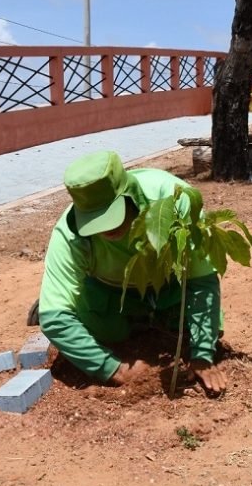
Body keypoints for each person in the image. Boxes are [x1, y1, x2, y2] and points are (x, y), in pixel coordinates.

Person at [36, 150, 228, 393]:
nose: (106, 230)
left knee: (197, 329)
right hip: (108, 293)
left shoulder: (175, 202)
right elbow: (54, 318)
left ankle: (156, 316)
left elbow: (201, 280)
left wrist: (202, 354)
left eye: (111, 215)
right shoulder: (69, 234)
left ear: (130, 195)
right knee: (106, 333)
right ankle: (67, 295)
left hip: (170, 286)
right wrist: (111, 367)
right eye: (95, 221)